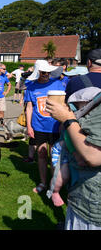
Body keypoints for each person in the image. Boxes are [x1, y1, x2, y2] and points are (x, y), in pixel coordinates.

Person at [46, 87, 101, 230]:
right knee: (60, 172)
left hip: (91, 209)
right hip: (83, 198)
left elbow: (92, 156)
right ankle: (55, 191)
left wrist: (68, 119)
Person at [24, 60, 64, 193]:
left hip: (55, 126)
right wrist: (29, 126)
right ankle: (43, 183)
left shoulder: (58, 84)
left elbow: (64, 105)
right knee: (41, 154)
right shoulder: (31, 87)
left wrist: (63, 123)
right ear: (38, 73)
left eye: (48, 72)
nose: (46, 74)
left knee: (54, 156)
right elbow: (29, 108)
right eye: (43, 72)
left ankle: (54, 185)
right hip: (38, 126)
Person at [0, 64, 11, 131]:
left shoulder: (4, 77)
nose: (5, 70)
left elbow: (9, 85)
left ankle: (1, 124)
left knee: (1, 111)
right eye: (4, 69)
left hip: (1, 97)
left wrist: (6, 92)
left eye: (5, 69)